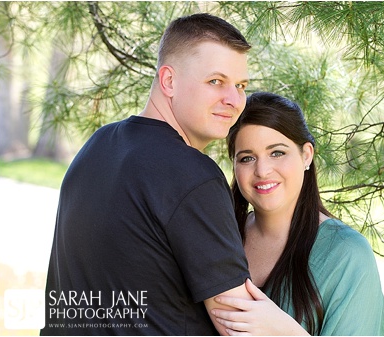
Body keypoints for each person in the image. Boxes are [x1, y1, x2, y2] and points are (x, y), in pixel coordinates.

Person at [41, 13, 253, 335]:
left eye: (240, 86)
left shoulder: (97, 147)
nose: (234, 100)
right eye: (216, 81)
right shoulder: (192, 174)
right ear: (169, 81)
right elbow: (238, 322)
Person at [211, 92, 384, 335]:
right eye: (247, 158)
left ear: (306, 154)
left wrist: (284, 331)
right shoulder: (219, 238)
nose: (262, 170)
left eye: (277, 153)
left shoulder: (346, 254)